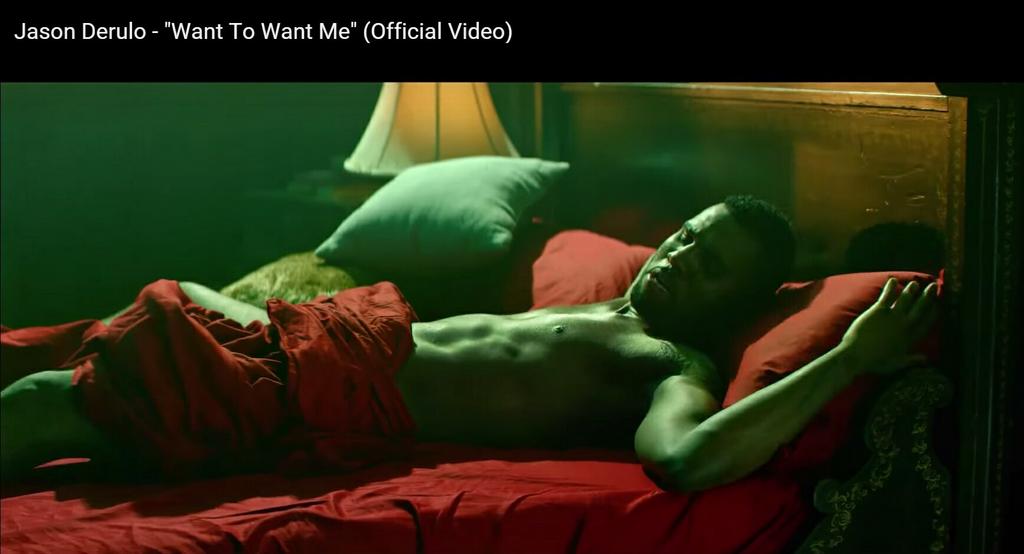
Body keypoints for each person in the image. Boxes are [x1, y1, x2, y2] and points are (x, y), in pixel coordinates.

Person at [0, 196, 938, 491]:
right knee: (126, 321)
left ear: (741, 301)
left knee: (48, 402)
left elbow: (686, 463)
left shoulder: (669, 365)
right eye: (687, 237)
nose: (680, 259)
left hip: (316, 392)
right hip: (315, 341)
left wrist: (849, 357)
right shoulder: (605, 306)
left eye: (711, 265)